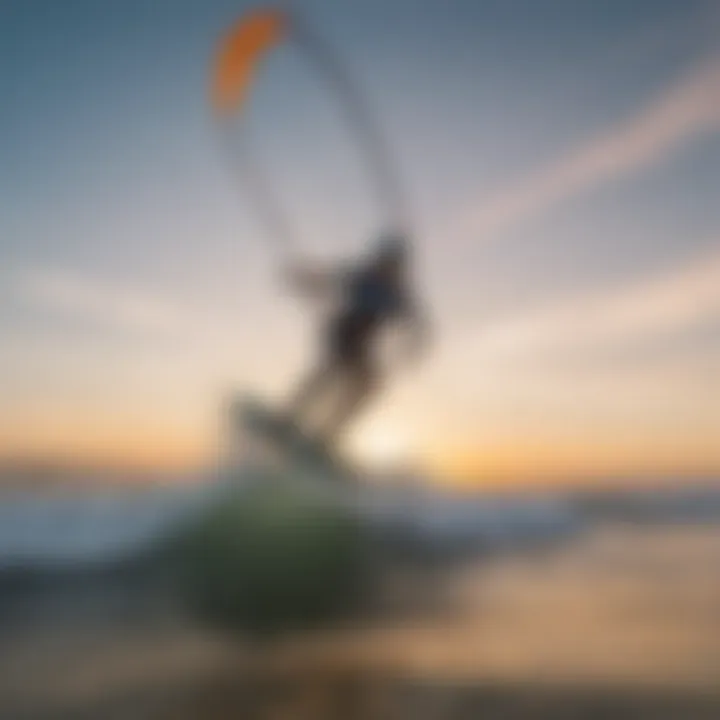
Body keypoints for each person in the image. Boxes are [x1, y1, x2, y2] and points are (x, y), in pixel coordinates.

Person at [283, 232, 430, 447]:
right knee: (330, 372)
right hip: (345, 332)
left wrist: (417, 338)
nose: (389, 269)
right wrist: (303, 278)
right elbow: (328, 279)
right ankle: (289, 418)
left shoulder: (396, 293)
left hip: (362, 343)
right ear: (381, 259)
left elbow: (412, 320)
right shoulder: (363, 276)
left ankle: (327, 434)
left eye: (394, 266)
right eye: (387, 262)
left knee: (367, 384)